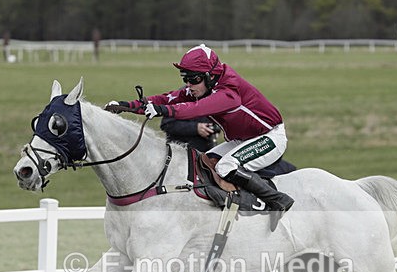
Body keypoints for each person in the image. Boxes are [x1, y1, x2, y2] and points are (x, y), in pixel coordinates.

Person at [108, 44, 294, 227]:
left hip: (270, 137)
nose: (189, 84)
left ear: (210, 76)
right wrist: (127, 106)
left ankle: (278, 200)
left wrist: (162, 110)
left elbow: (194, 109)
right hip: (244, 139)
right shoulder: (205, 86)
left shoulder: (229, 92)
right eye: (185, 78)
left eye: (193, 78)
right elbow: (166, 98)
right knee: (206, 160)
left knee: (226, 166)